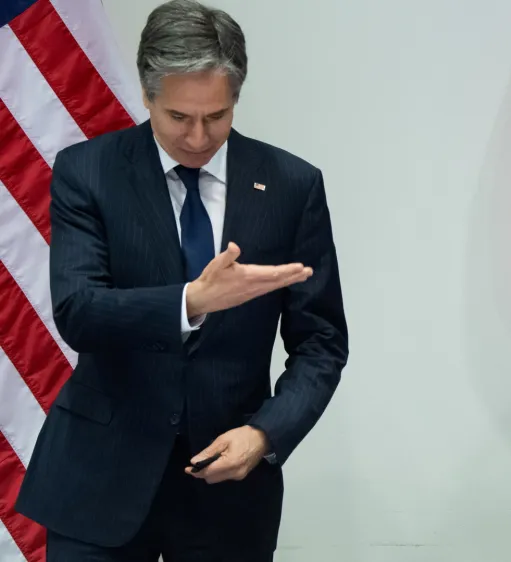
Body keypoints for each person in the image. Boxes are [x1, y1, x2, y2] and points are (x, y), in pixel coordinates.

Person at [14, 1, 349, 560]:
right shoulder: (86, 171)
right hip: (101, 479)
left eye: (216, 116)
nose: (198, 137)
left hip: (229, 489)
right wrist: (192, 300)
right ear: (147, 96)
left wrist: (265, 434)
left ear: (236, 98)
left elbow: (321, 343)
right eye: (178, 117)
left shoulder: (292, 185)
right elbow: (78, 309)